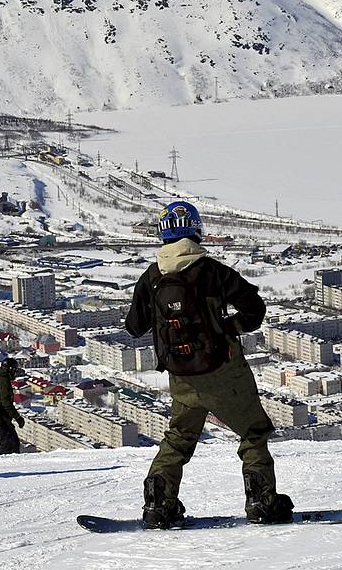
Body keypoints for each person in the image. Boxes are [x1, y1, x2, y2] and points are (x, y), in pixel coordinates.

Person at [125, 200, 292, 528]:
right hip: (223, 371)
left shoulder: (152, 276)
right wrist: (231, 327)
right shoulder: (213, 271)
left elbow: (134, 326)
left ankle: (159, 504)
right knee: (252, 431)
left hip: (181, 377)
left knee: (178, 437)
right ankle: (261, 501)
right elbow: (254, 310)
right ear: (197, 231)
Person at [0, 357, 25, 453]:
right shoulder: (3, 381)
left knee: (14, 443)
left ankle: (13, 464)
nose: (15, 373)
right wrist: (18, 418)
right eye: (14, 370)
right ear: (9, 370)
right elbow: (7, 404)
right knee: (7, 443)